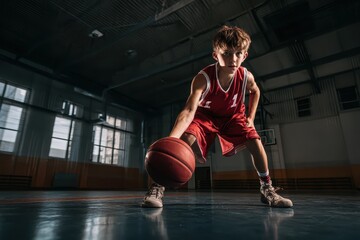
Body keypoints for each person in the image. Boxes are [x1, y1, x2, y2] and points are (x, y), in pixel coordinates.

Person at [141, 25, 293, 208]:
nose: (233, 59)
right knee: (185, 138)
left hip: (233, 116)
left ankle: (267, 189)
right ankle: (157, 188)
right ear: (216, 55)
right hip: (205, 117)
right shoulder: (203, 78)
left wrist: (251, 118)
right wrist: (171, 141)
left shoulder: (246, 77)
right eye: (227, 53)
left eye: (238, 53)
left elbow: (256, 91)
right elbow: (189, 111)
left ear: (245, 56)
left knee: (255, 141)